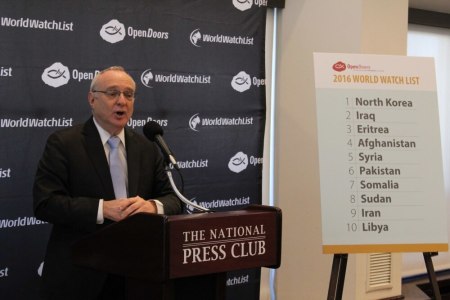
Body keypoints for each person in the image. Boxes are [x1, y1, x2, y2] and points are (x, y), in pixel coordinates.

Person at [33, 66, 181, 300]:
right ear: (92, 99)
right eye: (113, 93)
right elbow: (46, 203)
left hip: (137, 272)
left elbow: (174, 199)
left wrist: (152, 207)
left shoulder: (146, 147)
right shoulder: (64, 143)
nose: (122, 101)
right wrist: (103, 209)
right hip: (82, 273)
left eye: (128, 94)